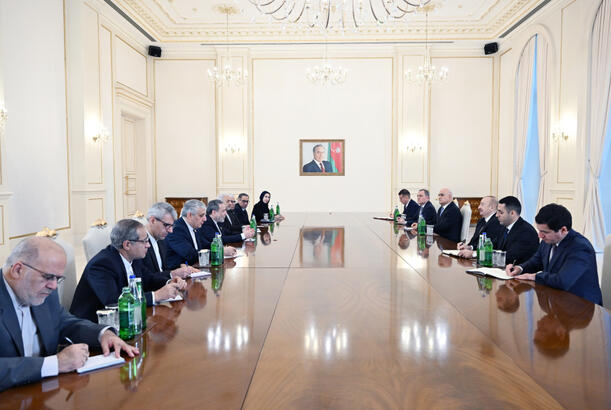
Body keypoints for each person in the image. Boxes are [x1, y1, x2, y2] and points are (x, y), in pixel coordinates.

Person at [1, 237, 138, 391]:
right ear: (18, 270)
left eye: (57, 278)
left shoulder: (43, 291)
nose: (54, 286)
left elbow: (64, 322)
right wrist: (56, 363)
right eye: (48, 277)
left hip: (42, 391)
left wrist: (104, 334)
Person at [70, 219, 187, 323]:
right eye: (144, 241)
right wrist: (156, 296)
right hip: (94, 326)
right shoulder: (102, 265)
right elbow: (114, 302)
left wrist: (170, 282)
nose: (148, 245)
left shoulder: (133, 257)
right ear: (127, 244)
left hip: (127, 320)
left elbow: (149, 279)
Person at [506, 203, 602, 305]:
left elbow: (562, 281)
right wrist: (520, 268)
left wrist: (534, 276)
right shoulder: (548, 240)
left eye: (545, 232)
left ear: (563, 230)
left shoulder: (580, 247)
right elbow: (536, 261)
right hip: (555, 299)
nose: (540, 236)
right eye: (539, 231)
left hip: (581, 305)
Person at [142, 202, 198, 280]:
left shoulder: (161, 240)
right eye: (167, 225)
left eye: (172, 226)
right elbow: (145, 277)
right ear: (152, 220)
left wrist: (180, 266)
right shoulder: (140, 244)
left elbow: (165, 267)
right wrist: (172, 274)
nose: (171, 231)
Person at [494, 196, 539, 265]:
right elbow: (493, 246)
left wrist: (487, 257)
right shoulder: (503, 228)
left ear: (512, 213)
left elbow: (511, 257)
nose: (497, 215)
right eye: (497, 212)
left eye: (501, 212)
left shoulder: (527, 232)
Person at [165, 199, 210, 268]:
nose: (205, 219)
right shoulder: (176, 229)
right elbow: (190, 255)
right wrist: (217, 253)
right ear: (189, 215)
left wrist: (221, 249)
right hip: (181, 270)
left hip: (195, 267)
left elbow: (205, 244)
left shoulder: (195, 226)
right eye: (201, 215)